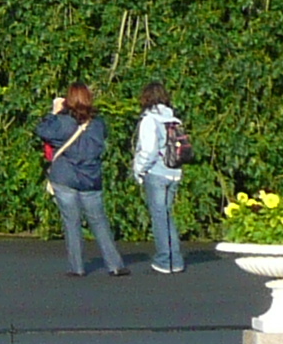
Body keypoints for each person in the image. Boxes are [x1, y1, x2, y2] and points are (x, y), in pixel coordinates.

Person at [36, 83, 122, 277]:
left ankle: (77, 267)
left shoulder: (62, 122)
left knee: (71, 222)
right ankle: (115, 264)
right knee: (99, 221)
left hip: (65, 177)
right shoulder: (98, 123)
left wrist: (54, 112)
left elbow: (42, 130)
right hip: (91, 177)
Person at [132, 81, 188, 274]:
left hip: (157, 173)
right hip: (174, 172)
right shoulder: (173, 119)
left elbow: (148, 150)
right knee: (167, 215)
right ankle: (176, 259)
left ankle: (166, 259)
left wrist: (139, 170)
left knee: (159, 217)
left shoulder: (149, 120)